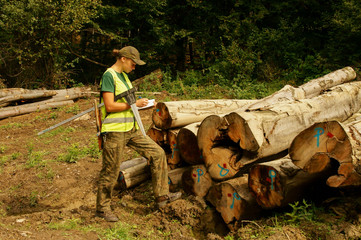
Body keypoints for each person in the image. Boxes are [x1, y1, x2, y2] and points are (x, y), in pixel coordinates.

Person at [95, 46, 181, 222]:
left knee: (157, 154)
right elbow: (110, 105)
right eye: (133, 64)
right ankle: (102, 208)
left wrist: (145, 104)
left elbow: (129, 102)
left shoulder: (124, 77)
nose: (134, 68)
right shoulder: (109, 76)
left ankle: (162, 197)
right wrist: (134, 105)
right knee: (110, 171)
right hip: (115, 132)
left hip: (131, 130)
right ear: (124, 59)